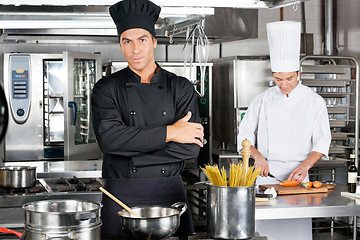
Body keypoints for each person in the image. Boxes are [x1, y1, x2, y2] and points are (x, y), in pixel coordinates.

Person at [91, 0, 204, 238]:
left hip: (170, 197)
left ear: (153, 41)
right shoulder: (106, 88)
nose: (136, 49)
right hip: (120, 197)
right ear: (120, 45)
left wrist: (130, 150)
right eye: (127, 41)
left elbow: (191, 149)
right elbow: (110, 141)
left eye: (142, 40)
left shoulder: (180, 87)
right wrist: (171, 132)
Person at [237, 21, 331, 240]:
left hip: (298, 179)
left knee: (295, 232)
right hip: (265, 176)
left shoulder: (314, 102)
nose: (284, 85)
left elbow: (321, 142)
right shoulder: (262, 100)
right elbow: (244, 136)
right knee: (264, 233)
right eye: (278, 79)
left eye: (289, 78)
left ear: (298, 73)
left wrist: (305, 165)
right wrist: (257, 156)